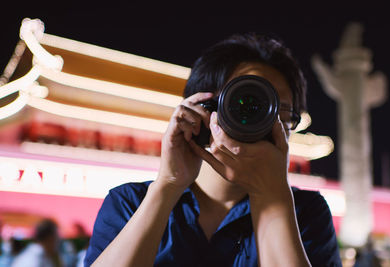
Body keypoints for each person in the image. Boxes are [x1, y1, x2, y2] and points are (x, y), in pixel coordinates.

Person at [84, 33, 342, 266]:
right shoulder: (130, 203)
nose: (265, 121)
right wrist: (168, 184)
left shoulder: (305, 213)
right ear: (202, 108)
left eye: (279, 111)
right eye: (247, 102)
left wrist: (272, 196)